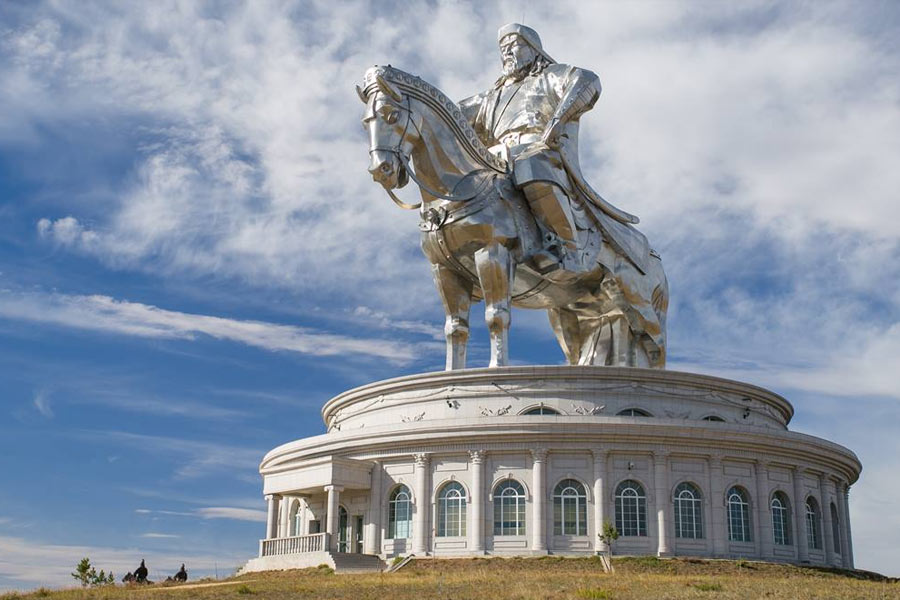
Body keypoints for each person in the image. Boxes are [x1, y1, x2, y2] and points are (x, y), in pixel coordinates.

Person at [459, 23, 648, 276]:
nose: (507, 52)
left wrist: (557, 122)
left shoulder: (549, 76)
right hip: (496, 158)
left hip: (539, 150)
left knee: (529, 165)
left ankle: (568, 246)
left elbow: (587, 80)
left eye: (514, 45)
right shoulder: (492, 97)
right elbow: (452, 113)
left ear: (533, 49)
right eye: (503, 48)